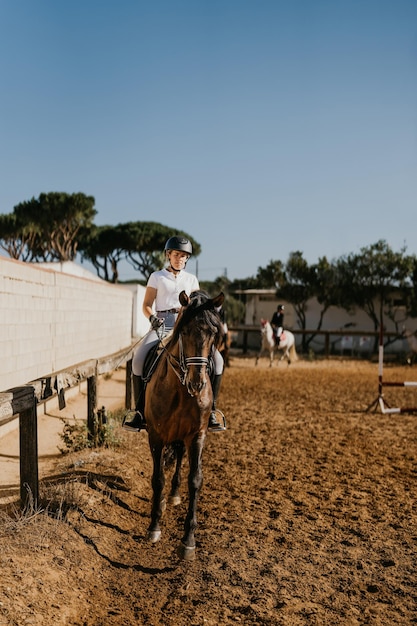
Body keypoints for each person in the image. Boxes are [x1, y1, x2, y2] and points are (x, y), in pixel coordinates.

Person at [123, 235, 226, 433]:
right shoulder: (157, 276)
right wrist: (152, 318)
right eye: (176, 254)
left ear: (187, 259)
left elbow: (196, 306)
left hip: (186, 326)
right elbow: (146, 305)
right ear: (168, 255)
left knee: (218, 361)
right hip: (162, 323)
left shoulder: (191, 279)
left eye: (184, 256)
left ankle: (212, 411)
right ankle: (139, 412)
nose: (180, 258)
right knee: (138, 359)